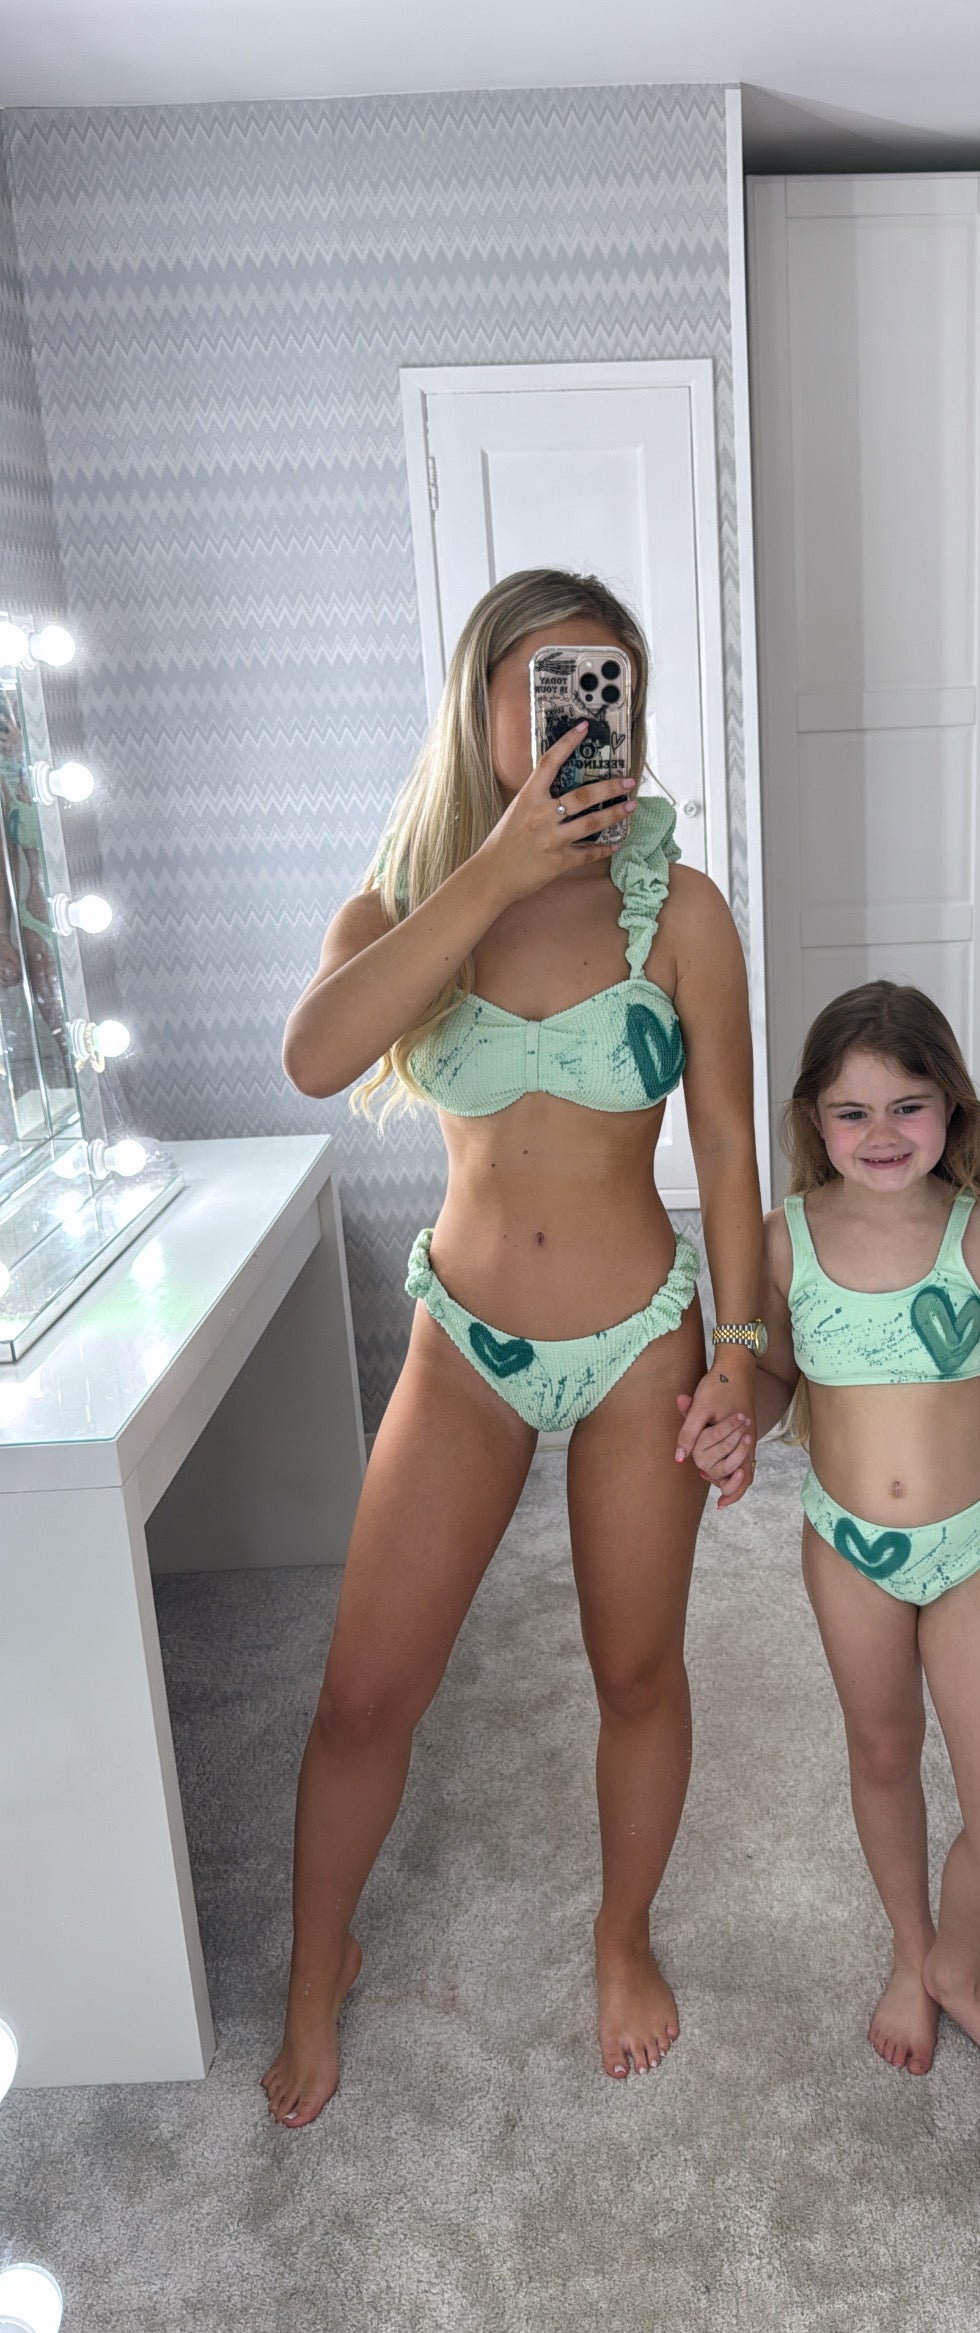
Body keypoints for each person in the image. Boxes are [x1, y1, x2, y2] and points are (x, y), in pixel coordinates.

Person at [264, 569, 763, 2126]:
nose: (583, 715)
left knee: (637, 1669)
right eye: (551, 683)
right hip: (464, 1345)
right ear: (484, 701)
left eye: (610, 686)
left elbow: (730, 1152)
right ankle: (317, 1964)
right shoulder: (404, 902)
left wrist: (743, 1354)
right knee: (363, 1694)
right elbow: (314, 1056)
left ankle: (622, 1935)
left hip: (640, 1344)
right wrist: (489, 871)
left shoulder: (681, 909)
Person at [690, 981, 980, 2097]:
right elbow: (777, 1379)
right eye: (852, 1112)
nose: (883, 1133)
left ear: (951, 1107)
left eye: (908, 1105)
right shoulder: (785, 1241)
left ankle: (959, 1968)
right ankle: (912, 1951)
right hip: (848, 1553)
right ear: (814, 1119)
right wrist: (733, 1415)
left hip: (971, 1552)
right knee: (884, 1756)